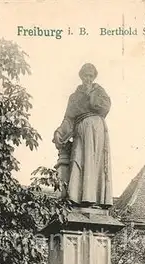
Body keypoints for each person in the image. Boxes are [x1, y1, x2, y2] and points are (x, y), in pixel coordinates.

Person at [53, 63, 113, 208]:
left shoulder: (100, 92)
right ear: (81, 76)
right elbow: (68, 118)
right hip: (80, 129)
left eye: (91, 76)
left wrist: (91, 94)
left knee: (95, 163)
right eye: (86, 75)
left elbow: (105, 108)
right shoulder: (74, 97)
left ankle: (96, 199)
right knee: (78, 160)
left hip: (97, 128)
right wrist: (59, 131)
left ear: (94, 77)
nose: (88, 78)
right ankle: (79, 198)